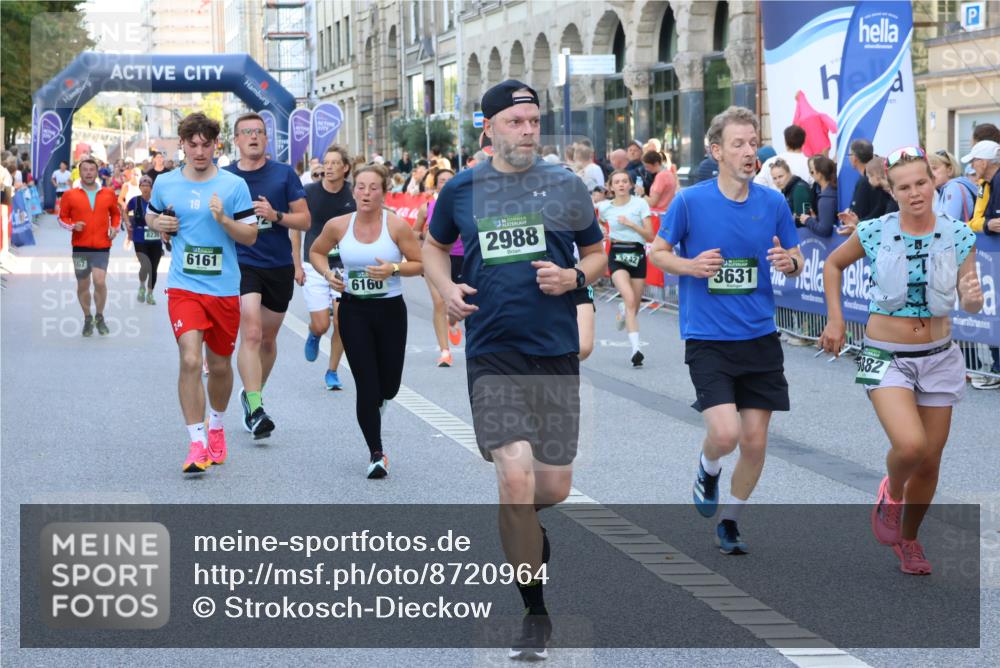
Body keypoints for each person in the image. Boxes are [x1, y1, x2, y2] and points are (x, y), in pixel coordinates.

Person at [423, 80, 606, 660]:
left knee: (551, 488)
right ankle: (535, 613)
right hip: (493, 350)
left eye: (533, 121)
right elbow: (432, 247)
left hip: (554, 351)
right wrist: (447, 287)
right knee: (516, 476)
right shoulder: (462, 188)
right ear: (489, 128)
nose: (528, 131)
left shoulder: (565, 184)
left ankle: (520, 524)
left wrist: (573, 277)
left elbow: (597, 254)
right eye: (515, 121)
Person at [649, 106, 804, 556]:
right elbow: (658, 252)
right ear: (717, 151)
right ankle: (708, 465)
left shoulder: (773, 203)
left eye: (753, 143)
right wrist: (691, 266)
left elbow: (795, 258)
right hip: (709, 338)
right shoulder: (690, 202)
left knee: (754, 442)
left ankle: (730, 520)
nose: (749, 152)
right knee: (725, 434)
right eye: (738, 144)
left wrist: (789, 263)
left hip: (759, 336)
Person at [819, 146, 982, 574]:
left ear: (934, 181)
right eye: (904, 187)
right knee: (911, 445)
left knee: (929, 462)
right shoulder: (874, 231)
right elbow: (833, 265)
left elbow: (971, 300)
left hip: (939, 356)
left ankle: (909, 540)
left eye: (922, 183)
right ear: (891, 191)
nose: (915, 193)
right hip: (884, 354)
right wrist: (835, 320)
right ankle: (891, 493)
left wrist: (972, 297)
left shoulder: (959, 234)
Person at [145, 112, 258, 474]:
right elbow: (151, 216)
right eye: (192, 144)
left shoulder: (233, 186)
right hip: (184, 287)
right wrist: (159, 223)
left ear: (215, 146)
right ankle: (196, 443)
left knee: (221, 366)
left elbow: (250, 235)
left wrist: (224, 220)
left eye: (205, 145)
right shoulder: (165, 183)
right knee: (191, 360)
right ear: (182, 145)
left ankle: (217, 425)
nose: (198, 151)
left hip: (223, 289)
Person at [308, 164, 423, 478]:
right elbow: (316, 252)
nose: (366, 193)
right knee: (367, 385)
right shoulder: (338, 225)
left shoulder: (396, 226)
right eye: (360, 187)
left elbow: (420, 263)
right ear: (353, 190)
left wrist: (393, 269)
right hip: (353, 310)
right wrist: (328, 273)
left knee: (390, 386)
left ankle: (379, 403)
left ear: (384, 192)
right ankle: (376, 453)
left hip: (390, 311)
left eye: (373, 188)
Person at [225, 113, 310, 439]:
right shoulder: (226, 176)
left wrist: (275, 215)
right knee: (252, 332)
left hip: (278, 264)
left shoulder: (283, 174)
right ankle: (257, 409)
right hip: (242, 262)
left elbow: (305, 220)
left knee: (268, 340)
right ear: (236, 140)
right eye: (246, 132)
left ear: (266, 138)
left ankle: (251, 394)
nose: (253, 137)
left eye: (259, 131)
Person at [294, 144, 357, 390]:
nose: (328, 167)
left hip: (344, 266)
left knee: (342, 322)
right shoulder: (309, 192)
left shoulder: (353, 194)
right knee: (322, 324)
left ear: (345, 168)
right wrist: (296, 265)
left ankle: (332, 371)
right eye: (326, 163)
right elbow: (296, 229)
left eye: (334, 163)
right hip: (314, 264)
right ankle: (315, 333)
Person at [57, 158, 121, 337]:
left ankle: (99, 316)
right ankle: (87, 317)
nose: (88, 173)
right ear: (80, 172)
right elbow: (62, 218)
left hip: (102, 246)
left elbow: (116, 214)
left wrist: (114, 228)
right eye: (85, 169)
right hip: (80, 247)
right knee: (83, 284)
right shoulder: (70, 195)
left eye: (92, 169)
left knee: (99, 282)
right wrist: (73, 225)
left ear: (96, 172)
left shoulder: (108, 193)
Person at [598, 169, 655, 366]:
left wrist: (631, 224)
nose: (621, 184)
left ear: (630, 185)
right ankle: (636, 350)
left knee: (633, 306)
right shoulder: (604, 207)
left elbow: (650, 236)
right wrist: (602, 231)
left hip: (637, 254)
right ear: (610, 187)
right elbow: (598, 222)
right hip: (617, 255)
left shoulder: (640, 204)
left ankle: (623, 310)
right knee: (629, 298)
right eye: (617, 182)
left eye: (624, 181)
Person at [962, 139, 1000, 389]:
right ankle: (996, 367)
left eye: (975, 161)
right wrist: (986, 225)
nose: (973, 166)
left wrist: (984, 224)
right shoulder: (984, 185)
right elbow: (977, 221)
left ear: (985, 162)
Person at [416, 167, 460, 366]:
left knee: (458, 301)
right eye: (443, 180)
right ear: (436, 185)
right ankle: (445, 352)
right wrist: (422, 238)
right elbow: (415, 232)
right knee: (439, 302)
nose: (447, 183)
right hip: (435, 258)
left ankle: (453, 319)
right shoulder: (427, 207)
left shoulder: (465, 205)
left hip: (461, 256)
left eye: (450, 180)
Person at [125, 175, 162, 305]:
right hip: (139, 237)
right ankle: (142, 286)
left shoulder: (157, 201)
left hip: (155, 238)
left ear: (152, 188)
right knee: (145, 265)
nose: (145, 188)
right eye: (143, 185)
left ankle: (150, 294)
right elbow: (125, 211)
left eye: (148, 186)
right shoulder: (135, 201)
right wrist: (127, 222)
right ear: (140, 187)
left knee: (154, 267)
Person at [754, 125, 813, 189]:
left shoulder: (770, 162)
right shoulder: (810, 164)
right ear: (804, 142)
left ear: (785, 141)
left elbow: (757, 186)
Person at [928, 150, 977, 222]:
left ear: (950, 170)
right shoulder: (943, 189)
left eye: (934, 168)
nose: (930, 174)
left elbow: (948, 223)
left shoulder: (953, 187)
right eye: (928, 170)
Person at [796, 156, 837, 237]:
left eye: (812, 172)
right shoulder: (833, 191)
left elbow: (824, 230)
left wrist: (807, 220)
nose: (810, 174)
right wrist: (815, 219)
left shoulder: (826, 198)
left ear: (820, 174)